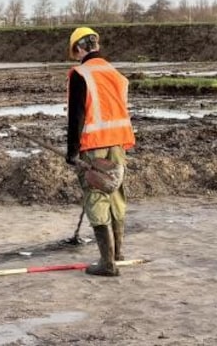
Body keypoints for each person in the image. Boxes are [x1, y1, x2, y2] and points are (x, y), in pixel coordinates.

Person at [65, 26, 135, 277]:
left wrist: (72, 152)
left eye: (75, 50)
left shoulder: (81, 74)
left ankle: (107, 264)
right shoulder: (115, 74)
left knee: (96, 196)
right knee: (116, 193)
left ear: (79, 48)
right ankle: (118, 253)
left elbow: (77, 117)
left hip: (94, 145)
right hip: (118, 143)